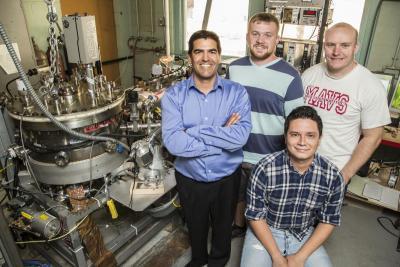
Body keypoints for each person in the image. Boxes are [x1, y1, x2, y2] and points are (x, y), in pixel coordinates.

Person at [161, 30, 251, 267]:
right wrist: (221, 137)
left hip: (226, 178)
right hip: (190, 177)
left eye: (211, 51)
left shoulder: (237, 93)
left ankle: (218, 262)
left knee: (222, 230)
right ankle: (199, 260)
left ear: (219, 56)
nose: (205, 57)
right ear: (190, 56)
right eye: (198, 51)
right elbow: (173, 142)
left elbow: (239, 137)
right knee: (196, 226)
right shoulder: (173, 96)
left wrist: (195, 131)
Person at [227, 12, 304, 237]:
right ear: (247, 36)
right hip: (237, 153)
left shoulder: (291, 76)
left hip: (271, 156)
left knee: (267, 206)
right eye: (256, 34)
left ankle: (265, 238)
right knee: (239, 196)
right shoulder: (234, 68)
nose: (261, 40)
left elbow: (296, 122)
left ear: (276, 39)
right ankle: (238, 225)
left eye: (267, 35)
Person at [241, 106, 345, 267]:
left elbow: (328, 220)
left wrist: (300, 257)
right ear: (285, 137)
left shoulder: (333, 176)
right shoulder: (264, 168)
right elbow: (255, 216)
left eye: (310, 136)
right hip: (266, 230)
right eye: (295, 135)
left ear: (320, 138)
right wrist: (276, 257)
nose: (302, 142)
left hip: (304, 234)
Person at [302, 22, 391, 184]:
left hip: (333, 171)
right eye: (331, 45)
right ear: (324, 46)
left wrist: (345, 175)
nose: (337, 52)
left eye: (345, 45)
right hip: (298, 164)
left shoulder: (370, 86)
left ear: (355, 47)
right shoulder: (309, 75)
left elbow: (373, 137)